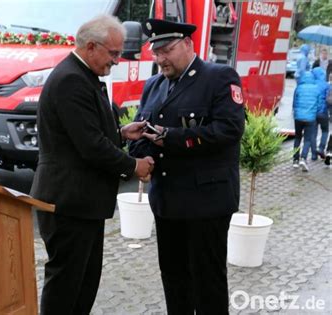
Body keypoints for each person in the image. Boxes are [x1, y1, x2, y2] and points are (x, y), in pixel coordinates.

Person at [30, 15, 154, 315]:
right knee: (67, 285)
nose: (117, 60)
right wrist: (133, 165)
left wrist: (121, 133)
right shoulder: (72, 79)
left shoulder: (83, 76)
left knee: (84, 283)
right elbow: (90, 146)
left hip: (81, 202)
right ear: (90, 47)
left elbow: (88, 134)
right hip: (68, 201)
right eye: (113, 53)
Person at [129, 19, 245, 314]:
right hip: (167, 202)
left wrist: (171, 138)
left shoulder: (219, 77)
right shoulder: (154, 85)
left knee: (208, 284)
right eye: (156, 53)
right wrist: (141, 152)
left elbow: (229, 130)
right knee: (174, 280)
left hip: (206, 202)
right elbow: (143, 134)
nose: (160, 59)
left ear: (188, 44)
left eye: (166, 50)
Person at [292, 71, 320, 171]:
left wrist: (295, 113)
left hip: (298, 117)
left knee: (297, 137)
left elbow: (294, 102)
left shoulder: (299, 87)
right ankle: (303, 158)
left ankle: (295, 160)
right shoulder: (316, 88)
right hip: (310, 118)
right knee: (307, 139)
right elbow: (319, 104)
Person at [310, 67, 330, 160]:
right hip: (323, 112)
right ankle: (321, 148)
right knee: (325, 131)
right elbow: (329, 99)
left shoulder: (312, 84)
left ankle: (314, 155)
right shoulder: (327, 85)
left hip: (313, 112)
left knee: (313, 133)